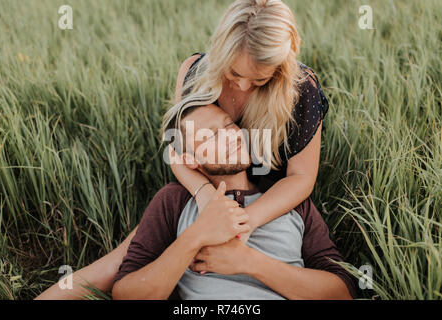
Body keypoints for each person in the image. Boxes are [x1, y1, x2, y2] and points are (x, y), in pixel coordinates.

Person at [35, 0, 332, 299]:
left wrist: (243, 222)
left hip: (271, 200)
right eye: (233, 73)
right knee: (116, 264)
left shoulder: (299, 90)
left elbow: (301, 178)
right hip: (205, 189)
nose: (242, 87)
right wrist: (205, 201)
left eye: (259, 79)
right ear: (221, 52)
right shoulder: (195, 72)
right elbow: (178, 152)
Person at [112, 103, 356, 300]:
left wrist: (249, 262)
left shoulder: (288, 198)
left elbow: (342, 292)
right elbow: (126, 294)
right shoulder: (174, 202)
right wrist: (196, 236)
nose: (230, 136)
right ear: (190, 160)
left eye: (228, 124)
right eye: (211, 137)